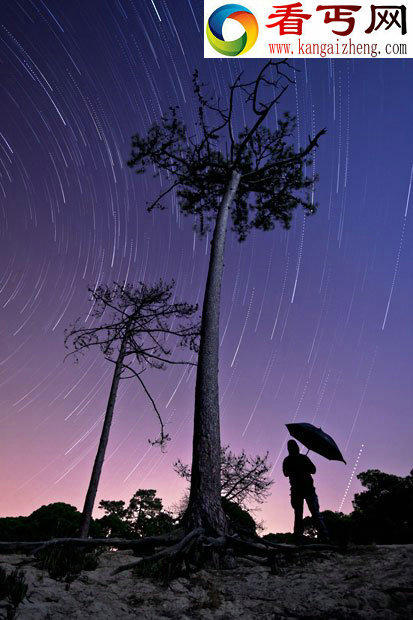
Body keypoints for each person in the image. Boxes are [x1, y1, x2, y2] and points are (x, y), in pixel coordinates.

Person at [282, 439, 329, 543]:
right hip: (304, 489)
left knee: (300, 514)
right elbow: (313, 470)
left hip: (301, 490)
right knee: (313, 513)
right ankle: (324, 537)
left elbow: (286, 473)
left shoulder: (288, 460)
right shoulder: (302, 458)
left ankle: (299, 539)